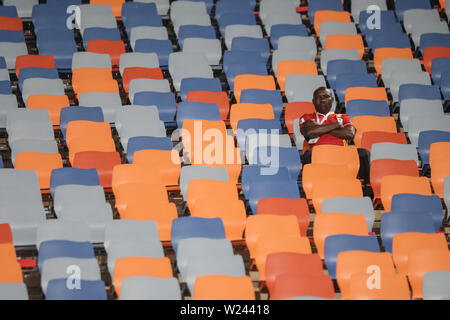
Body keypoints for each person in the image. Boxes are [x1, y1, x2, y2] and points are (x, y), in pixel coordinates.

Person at [300, 87, 370, 183]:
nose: (322, 99)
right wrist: (336, 125)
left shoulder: (343, 117)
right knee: (309, 154)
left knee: (364, 153)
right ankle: (309, 185)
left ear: (332, 99)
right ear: (313, 101)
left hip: (342, 154)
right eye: (318, 97)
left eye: (326, 96)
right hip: (319, 154)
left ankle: (365, 187)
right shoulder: (307, 117)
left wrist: (319, 128)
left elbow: (349, 133)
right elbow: (309, 133)